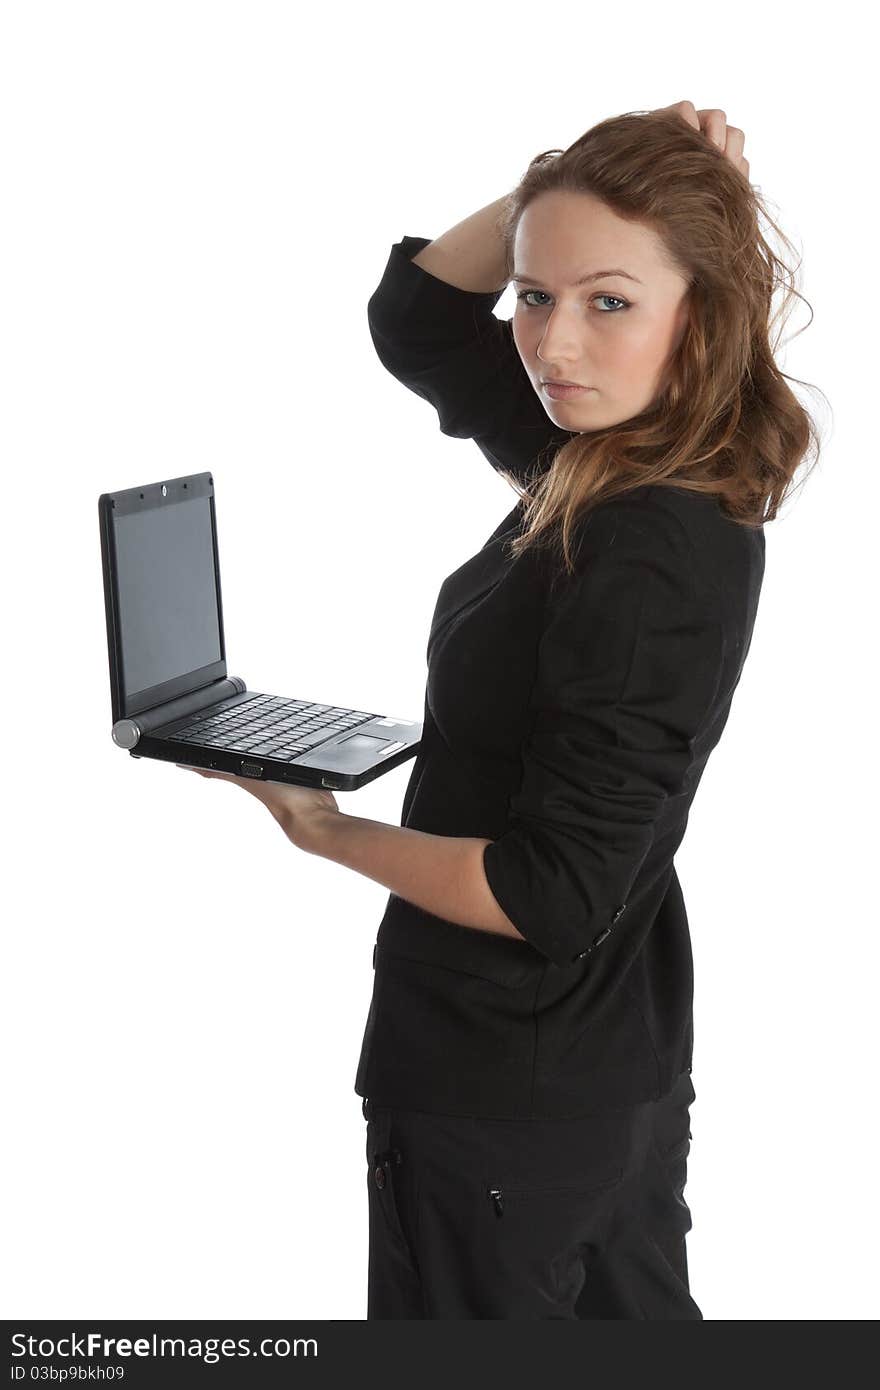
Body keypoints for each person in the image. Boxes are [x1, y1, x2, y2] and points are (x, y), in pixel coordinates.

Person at [179, 103, 818, 1318]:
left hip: (503, 1103)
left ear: (703, 314)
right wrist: (572, 186)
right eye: (532, 296)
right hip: (589, 1071)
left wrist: (323, 829)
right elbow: (416, 314)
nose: (551, 344)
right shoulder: (613, 453)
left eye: (609, 301)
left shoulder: (642, 546)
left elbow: (549, 892)